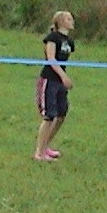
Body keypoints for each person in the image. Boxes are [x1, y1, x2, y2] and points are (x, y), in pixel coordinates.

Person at [34, 11, 75, 162]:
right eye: (69, 19)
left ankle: (46, 147)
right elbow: (51, 59)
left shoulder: (69, 41)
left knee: (61, 114)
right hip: (49, 80)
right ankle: (39, 152)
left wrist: (63, 78)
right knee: (49, 116)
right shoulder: (53, 38)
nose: (72, 21)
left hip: (60, 83)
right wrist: (64, 77)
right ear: (61, 22)